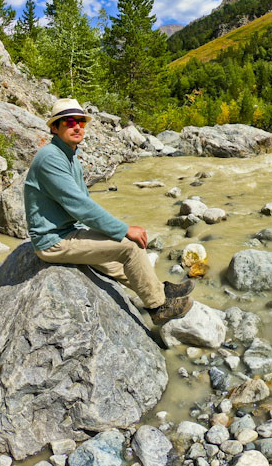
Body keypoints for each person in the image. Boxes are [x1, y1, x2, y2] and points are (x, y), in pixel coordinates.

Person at [24, 98, 194, 325]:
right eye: (69, 122)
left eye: (81, 122)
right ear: (55, 128)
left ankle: (158, 290)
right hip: (54, 240)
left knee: (119, 262)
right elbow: (80, 206)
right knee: (130, 247)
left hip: (68, 230)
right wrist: (123, 229)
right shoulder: (50, 158)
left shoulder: (69, 155)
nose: (77, 127)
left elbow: (83, 201)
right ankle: (158, 307)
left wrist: (109, 230)